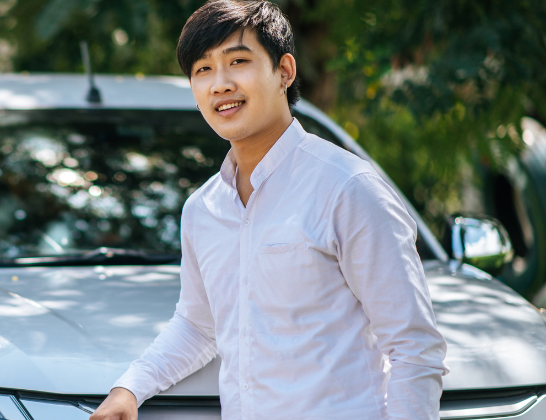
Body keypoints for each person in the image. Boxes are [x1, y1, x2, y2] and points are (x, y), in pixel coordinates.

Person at [88, 1, 448, 419]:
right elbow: (198, 326)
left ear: (284, 71)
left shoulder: (348, 188)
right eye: (202, 70)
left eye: (237, 61)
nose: (220, 84)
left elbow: (413, 346)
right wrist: (130, 388)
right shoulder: (202, 209)